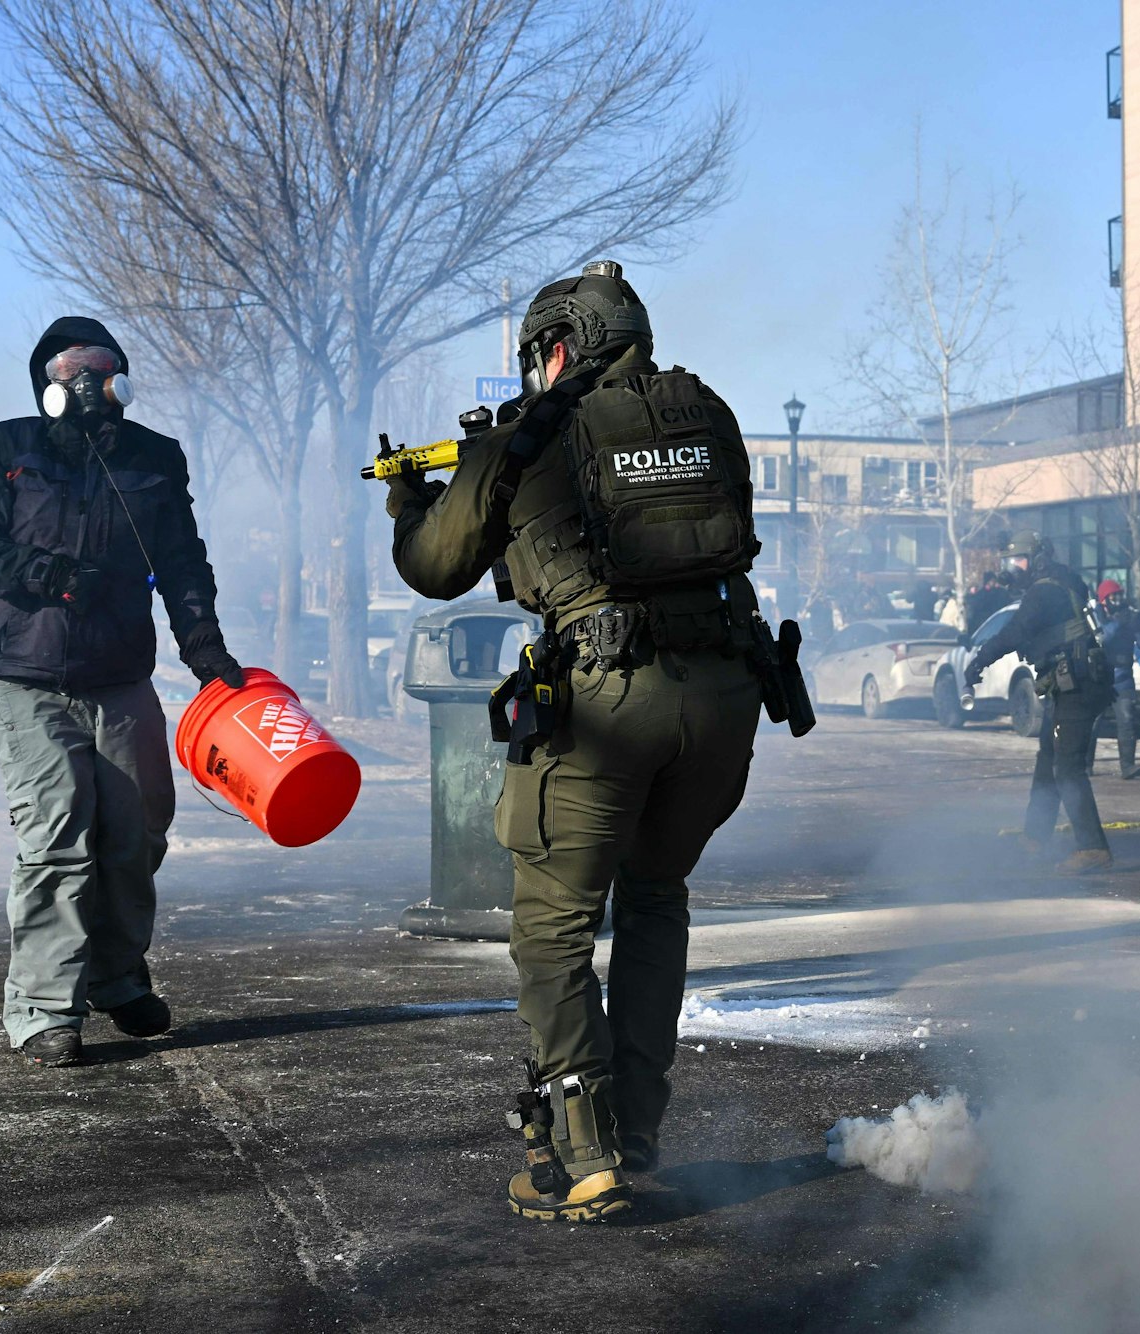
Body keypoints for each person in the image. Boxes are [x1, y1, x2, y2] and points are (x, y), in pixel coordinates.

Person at [384, 261, 765, 1224]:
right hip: (724, 698)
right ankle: (635, 1130)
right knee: (655, 901)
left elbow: (437, 567)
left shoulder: (533, 432)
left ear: (558, 348)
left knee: (552, 927)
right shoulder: (706, 415)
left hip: (607, 702)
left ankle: (585, 1157)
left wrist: (410, 505)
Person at [0, 316, 244, 1068]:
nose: (85, 384)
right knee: (57, 838)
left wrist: (205, 649)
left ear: (122, 379)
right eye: (68, 371)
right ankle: (45, 1007)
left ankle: (114, 975)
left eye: (101, 369)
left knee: (137, 831)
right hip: (28, 677)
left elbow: (181, 561)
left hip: (121, 677)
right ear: (43, 383)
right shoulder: (11, 447)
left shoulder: (154, 458)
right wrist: (40, 574)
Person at [962, 531, 1114, 874]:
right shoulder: (1062, 581)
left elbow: (1015, 631)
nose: (1013, 569)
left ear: (1038, 560)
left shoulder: (1044, 590)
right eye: (1008, 563)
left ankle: (1093, 848)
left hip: (1078, 686)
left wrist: (979, 660)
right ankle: (1034, 838)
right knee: (1049, 759)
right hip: (1073, 682)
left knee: (1068, 768)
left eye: (1018, 562)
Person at [1092, 579, 1140, 780]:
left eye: (1119, 596)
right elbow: (1102, 637)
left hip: (1122, 676)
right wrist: (1118, 623)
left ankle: (1128, 766)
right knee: (1092, 722)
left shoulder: (1128, 615)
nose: (1118, 600)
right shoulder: (1095, 614)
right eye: (1113, 596)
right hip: (1098, 676)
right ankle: (1084, 765)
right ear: (1104, 599)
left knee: (1127, 719)